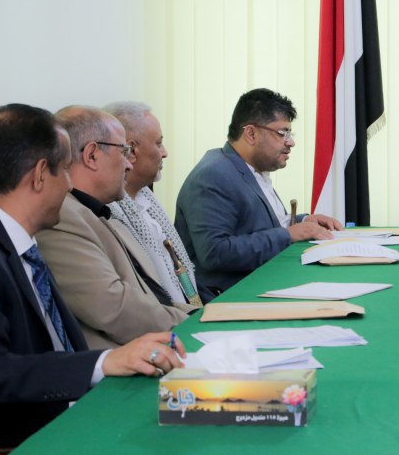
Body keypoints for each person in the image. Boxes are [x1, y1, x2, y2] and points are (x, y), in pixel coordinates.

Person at [0, 103, 184, 448]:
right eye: (64, 171)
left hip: (63, 422)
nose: (69, 185)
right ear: (38, 176)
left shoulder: (17, 245)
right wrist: (104, 362)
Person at [37, 106, 194, 349]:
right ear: (92, 156)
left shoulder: (99, 210)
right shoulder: (62, 216)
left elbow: (152, 295)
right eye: (124, 152)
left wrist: (199, 315)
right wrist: (191, 323)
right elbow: (113, 307)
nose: (129, 165)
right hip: (130, 356)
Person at [176, 88, 342, 296]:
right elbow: (215, 252)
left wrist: (304, 221)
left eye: (290, 134)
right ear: (251, 134)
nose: (291, 142)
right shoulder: (213, 175)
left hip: (265, 282)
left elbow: (259, 225)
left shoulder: (250, 169)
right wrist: (288, 235)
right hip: (231, 297)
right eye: (282, 133)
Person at [103, 101, 201, 305]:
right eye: (158, 143)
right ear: (131, 151)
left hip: (188, 308)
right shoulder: (108, 214)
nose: (164, 153)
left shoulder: (147, 196)